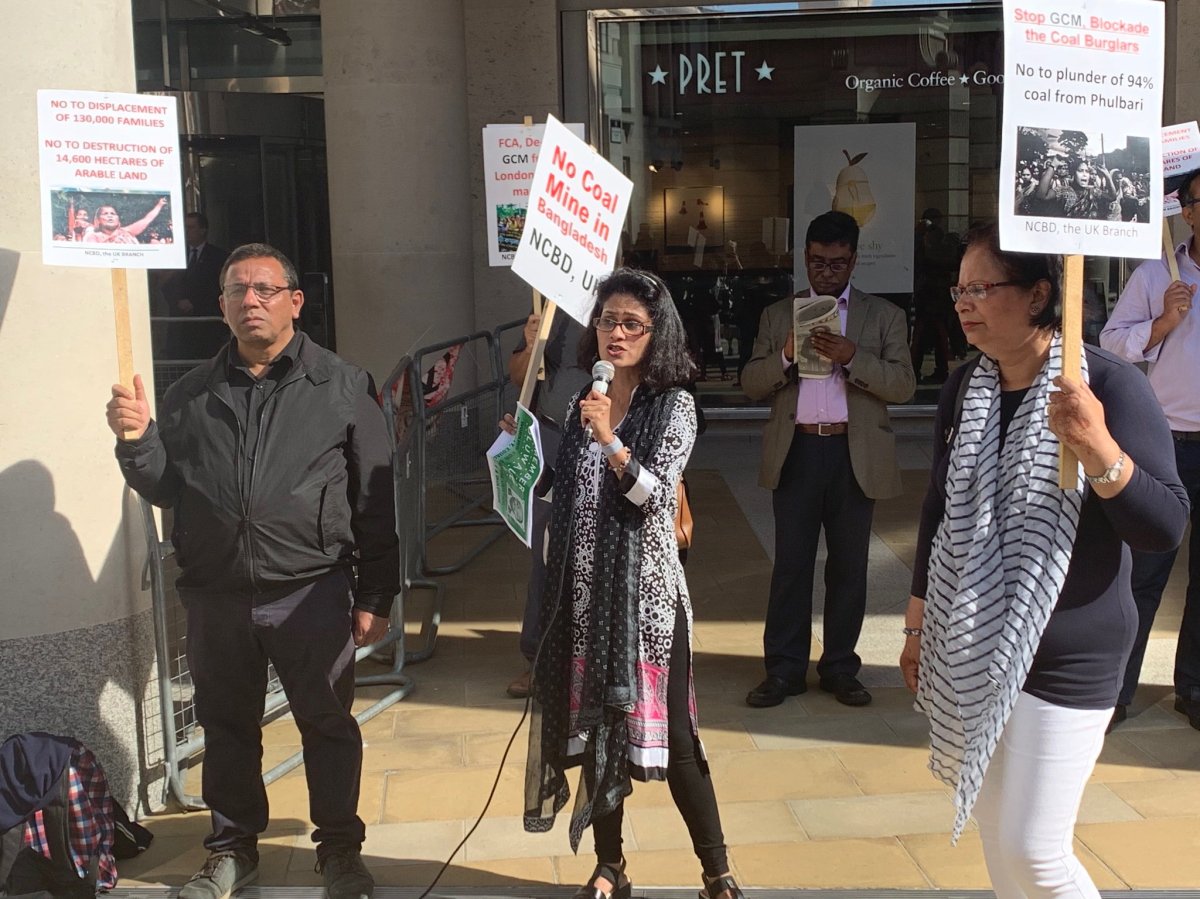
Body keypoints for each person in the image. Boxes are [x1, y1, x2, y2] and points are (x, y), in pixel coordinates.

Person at [901, 224, 1187, 898]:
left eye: (981, 287)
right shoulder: (965, 388)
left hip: (1070, 651)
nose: (963, 303)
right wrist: (917, 624)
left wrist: (1096, 444)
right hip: (977, 646)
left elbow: (1165, 525)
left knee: (1035, 852)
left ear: (1037, 295)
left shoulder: (1107, 385)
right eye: (959, 289)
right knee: (1000, 844)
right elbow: (939, 508)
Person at [105, 243, 397, 899]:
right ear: (221, 306)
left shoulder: (343, 386)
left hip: (311, 593)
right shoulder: (189, 394)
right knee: (226, 729)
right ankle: (232, 849)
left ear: (295, 301)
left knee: (327, 725)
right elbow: (167, 488)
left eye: (265, 289)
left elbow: (375, 502)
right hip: (218, 597)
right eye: (237, 290)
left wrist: (377, 593)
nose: (250, 300)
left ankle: (339, 850)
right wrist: (138, 442)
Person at [521, 268, 744, 899]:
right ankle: (609, 866)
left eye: (631, 324)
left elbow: (652, 496)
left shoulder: (674, 406)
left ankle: (717, 872)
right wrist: (522, 451)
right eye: (607, 321)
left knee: (676, 738)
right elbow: (565, 490)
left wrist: (609, 438)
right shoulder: (581, 400)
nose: (615, 334)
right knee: (598, 733)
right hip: (585, 601)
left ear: (656, 333)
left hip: (647, 605)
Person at [742, 210, 915, 709]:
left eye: (837, 263)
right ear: (805, 258)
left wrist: (852, 356)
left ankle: (840, 667)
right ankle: (784, 669)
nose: (826, 272)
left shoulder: (883, 316)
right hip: (796, 449)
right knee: (791, 566)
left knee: (848, 567)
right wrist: (785, 356)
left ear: (854, 261)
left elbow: (903, 385)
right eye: (818, 262)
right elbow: (751, 383)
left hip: (852, 452)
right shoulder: (778, 315)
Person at [1100, 168, 1200, 732]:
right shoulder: (1156, 274)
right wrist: (1162, 322)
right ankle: (1115, 690)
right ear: (1187, 211)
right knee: (1142, 574)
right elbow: (1111, 345)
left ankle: (1194, 686)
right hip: (1166, 446)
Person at [504, 310, 589, 699]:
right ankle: (538, 660)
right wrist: (531, 343)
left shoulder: (622, 305)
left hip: (606, 441)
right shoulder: (550, 307)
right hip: (551, 445)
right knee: (545, 557)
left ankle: (594, 662)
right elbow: (518, 375)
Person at [162, 212, 230, 359]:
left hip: (206, 324)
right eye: (184, 228)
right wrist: (178, 300)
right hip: (180, 325)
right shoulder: (175, 255)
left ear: (202, 230)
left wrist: (195, 303)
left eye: (191, 227)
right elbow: (166, 283)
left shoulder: (218, 256)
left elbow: (219, 286)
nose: (187, 232)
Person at [1034, 156, 1119, 221]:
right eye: (1080, 171)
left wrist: (1107, 176)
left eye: (1087, 171)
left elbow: (1112, 197)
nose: (1084, 174)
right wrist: (1052, 166)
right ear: (1073, 174)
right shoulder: (1065, 191)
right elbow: (1041, 195)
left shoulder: (1093, 191)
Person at [82, 197, 167, 244]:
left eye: (113, 214)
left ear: (118, 219)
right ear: (98, 220)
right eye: (105, 214)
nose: (110, 216)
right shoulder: (92, 236)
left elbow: (147, 219)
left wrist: (160, 205)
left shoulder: (127, 231)